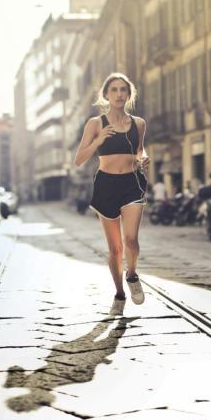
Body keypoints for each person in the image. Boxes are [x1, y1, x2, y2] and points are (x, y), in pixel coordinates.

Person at [74, 72, 149, 315]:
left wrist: (143, 158)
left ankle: (132, 273)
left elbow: (138, 150)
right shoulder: (95, 124)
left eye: (123, 90)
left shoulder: (139, 124)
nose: (119, 94)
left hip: (131, 182)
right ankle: (119, 294)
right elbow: (79, 159)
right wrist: (97, 141)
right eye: (114, 90)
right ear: (106, 95)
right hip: (106, 185)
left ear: (129, 95)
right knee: (115, 249)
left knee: (131, 240)